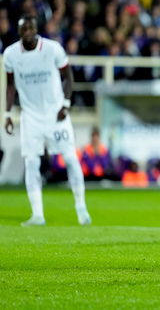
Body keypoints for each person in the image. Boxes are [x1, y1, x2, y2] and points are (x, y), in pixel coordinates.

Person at [3, 15, 91, 226]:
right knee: (31, 161)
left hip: (55, 114)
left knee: (70, 157)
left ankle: (81, 208)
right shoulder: (10, 54)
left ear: (36, 28)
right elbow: (10, 85)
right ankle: (37, 215)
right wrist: (7, 114)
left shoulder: (52, 49)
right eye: (24, 28)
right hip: (30, 116)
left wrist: (66, 104)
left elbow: (68, 77)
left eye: (31, 27)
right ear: (19, 30)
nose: (28, 31)